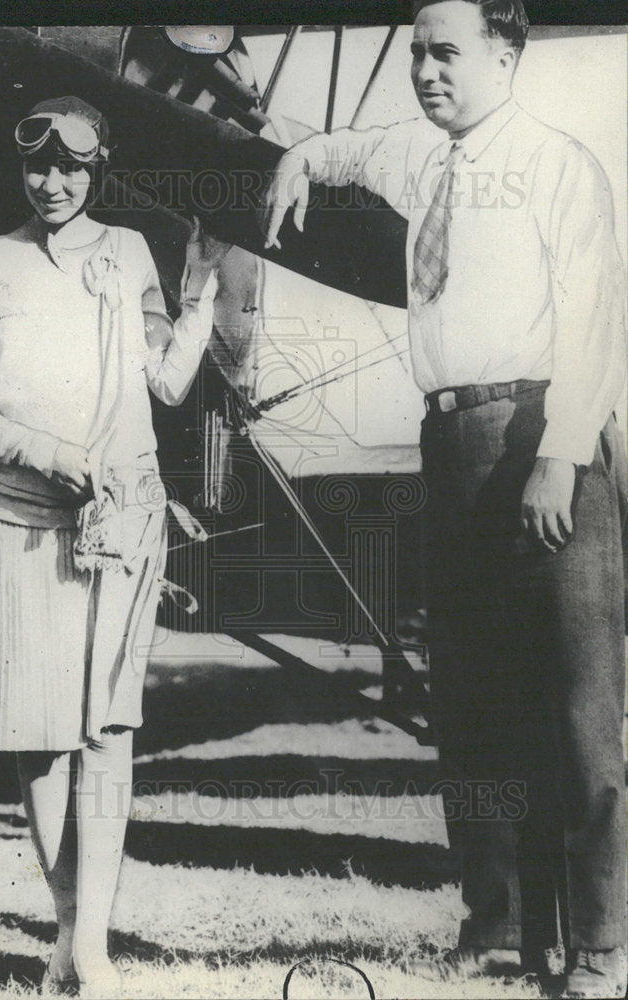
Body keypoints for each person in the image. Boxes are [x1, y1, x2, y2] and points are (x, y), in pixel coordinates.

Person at [258, 3, 627, 998]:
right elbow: (344, 150)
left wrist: (558, 455)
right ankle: (496, 923)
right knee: (469, 701)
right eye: (415, 54)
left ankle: (596, 939)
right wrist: (300, 161)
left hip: (541, 435)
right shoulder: (421, 161)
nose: (424, 70)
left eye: (445, 53)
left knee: (575, 699)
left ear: (503, 58)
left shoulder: (555, 164)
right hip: (447, 441)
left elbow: (591, 317)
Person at [0, 96, 229, 999]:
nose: (53, 182)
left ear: (96, 170)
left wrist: (201, 298)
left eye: (71, 167)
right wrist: (52, 454)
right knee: (38, 738)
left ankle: (88, 947)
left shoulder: (127, 253)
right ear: (19, 170)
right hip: (17, 521)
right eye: (38, 166)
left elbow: (168, 385)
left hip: (119, 524)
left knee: (105, 732)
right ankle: (64, 932)